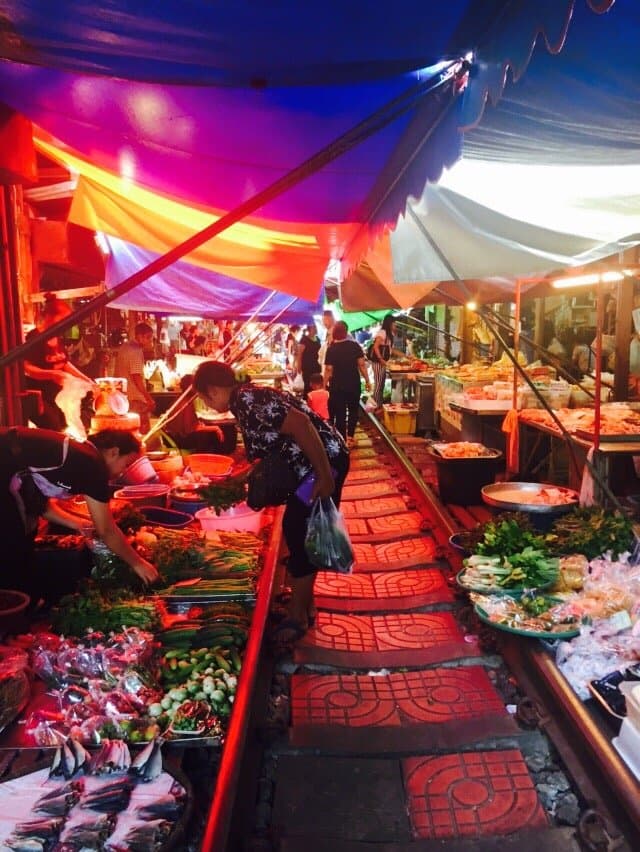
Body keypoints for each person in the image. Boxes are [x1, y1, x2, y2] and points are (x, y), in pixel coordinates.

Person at [192, 361, 349, 640]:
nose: (205, 403)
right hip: (312, 465)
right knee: (300, 529)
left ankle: (297, 618)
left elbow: (301, 425)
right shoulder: (245, 399)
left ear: (213, 390)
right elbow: (275, 447)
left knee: (298, 531)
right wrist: (240, 479)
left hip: (322, 465)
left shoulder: (248, 399)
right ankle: (306, 605)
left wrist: (325, 474)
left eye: (203, 397)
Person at [0, 427, 159, 597]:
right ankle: (14, 608)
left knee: (24, 536)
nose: (123, 472)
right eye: (126, 464)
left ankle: (21, 600)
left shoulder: (82, 456)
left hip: (7, 466)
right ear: (114, 452)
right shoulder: (92, 465)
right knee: (13, 543)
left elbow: (38, 505)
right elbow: (106, 530)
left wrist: (79, 524)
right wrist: (138, 563)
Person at [24, 296, 97, 432]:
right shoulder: (34, 339)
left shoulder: (57, 339)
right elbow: (27, 368)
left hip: (58, 396)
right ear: (47, 318)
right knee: (54, 430)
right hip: (41, 398)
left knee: (69, 427)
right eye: (60, 321)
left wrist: (88, 381)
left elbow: (65, 364)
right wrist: (52, 375)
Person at [324, 320, 371, 444]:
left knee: (340, 413)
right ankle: (350, 436)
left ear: (334, 333)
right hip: (353, 384)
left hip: (337, 386)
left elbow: (329, 369)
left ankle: (342, 439)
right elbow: (361, 365)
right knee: (353, 411)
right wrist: (367, 380)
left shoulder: (331, 348)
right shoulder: (354, 345)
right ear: (345, 333)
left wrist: (323, 386)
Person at [114, 322, 156, 434]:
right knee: (142, 433)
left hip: (124, 397)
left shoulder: (125, 347)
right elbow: (136, 377)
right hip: (136, 399)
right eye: (148, 338)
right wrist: (148, 398)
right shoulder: (136, 351)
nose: (150, 341)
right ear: (140, 336)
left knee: (129, 432)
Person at [370, 314, 403, 409]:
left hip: (383, 363)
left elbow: (392, 350)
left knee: (381, 384)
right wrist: (381, 359)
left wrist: (406, 356)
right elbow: (376, 346)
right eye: (394, 323)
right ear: (390, 323)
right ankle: (375, 407)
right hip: (378, 363)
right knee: (378, 385)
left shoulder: (389, 335)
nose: (395, 325)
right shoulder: (382, 332)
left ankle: (378, 406)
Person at [296, 323, 322, 396]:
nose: (316, 329)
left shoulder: (318, 340)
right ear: (309, 329)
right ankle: (308, 402)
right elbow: (299, 355)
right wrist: (299, 367)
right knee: (308, 386)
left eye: (316, 327)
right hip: (307, 367)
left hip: (317, 367)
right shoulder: (304, 340)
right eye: (314, 327)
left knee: (317, 386)